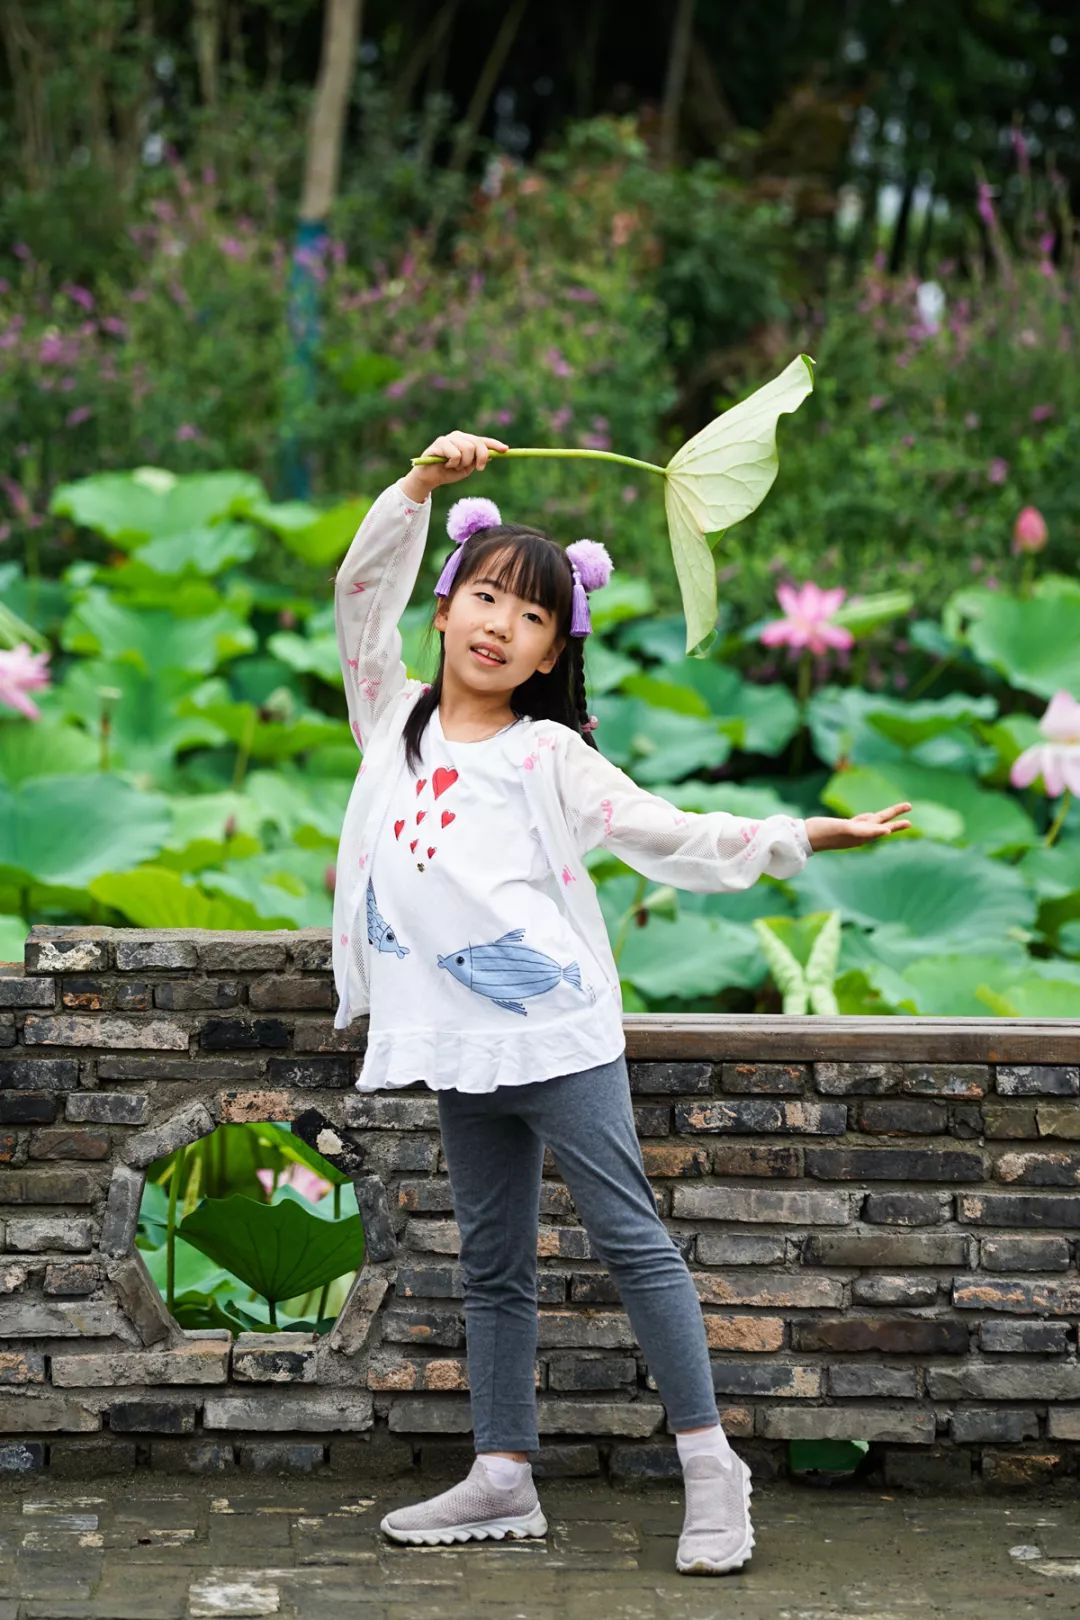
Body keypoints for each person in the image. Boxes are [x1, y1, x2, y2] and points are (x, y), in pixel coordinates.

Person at [331, 429, 913, 1576]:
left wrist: (802, 833)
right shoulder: (386, 715)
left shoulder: (551, 755)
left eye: (534, 616)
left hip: (552, 1032)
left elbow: (674, 833)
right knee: (492, 1262)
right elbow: (357, 590)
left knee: (633, 1245)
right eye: (487, 596)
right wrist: (415, 488)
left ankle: (711, 1469)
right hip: (455, 1037)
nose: (503, 624)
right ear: (443, 608)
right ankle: (503, 1475)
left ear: (555, 648)